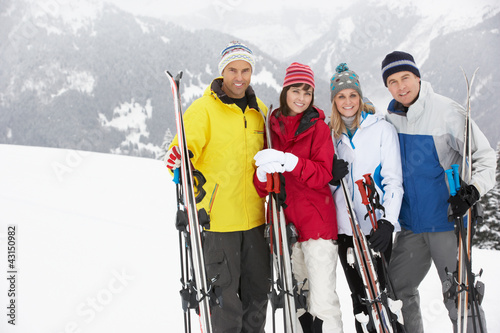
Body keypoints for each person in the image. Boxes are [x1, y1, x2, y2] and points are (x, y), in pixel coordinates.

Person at [381, 51, 496, 333]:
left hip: (448, 222)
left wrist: (473, 191)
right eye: (392, 81)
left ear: (418, 77)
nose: (401, 86)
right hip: (411, 228)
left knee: (459, 297)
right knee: (396, 292)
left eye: (405, 77)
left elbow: (486, 156)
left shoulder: (447, 111)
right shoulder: (391, 118)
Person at [164, 41, 270, 333]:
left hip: (255, 222)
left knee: (258, 299)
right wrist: (179, 156)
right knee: (223, 305)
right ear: (222, 72)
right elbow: (183, 150)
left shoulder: (258, 111)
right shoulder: (204, 110)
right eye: (233, 70)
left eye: (245, 70)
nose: (240, 77)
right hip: (217, 223)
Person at [253, 62, 345, 333]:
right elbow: (263, 187)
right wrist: (261, 176)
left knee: (322, 301)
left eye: (307, 92)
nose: (301, 98)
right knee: (296, 300)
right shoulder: (271, 127)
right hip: (284, 226)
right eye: (296, 90)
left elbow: (323, 174)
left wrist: (289, 161)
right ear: (285, 90)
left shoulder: (318, 128)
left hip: (316, 225)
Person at [329, 63, 404, 333]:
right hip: (344, 230)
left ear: (360, 97)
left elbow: (394, 181)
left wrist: (387, 222)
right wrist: (330, 177)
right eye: (341, 96)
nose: (347, 102)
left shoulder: (382, 130)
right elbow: (325, 189)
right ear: (334, 101)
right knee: (359, 299)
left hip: (376, 227)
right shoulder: (330, 136)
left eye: (352, 95)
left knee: (382, 293)